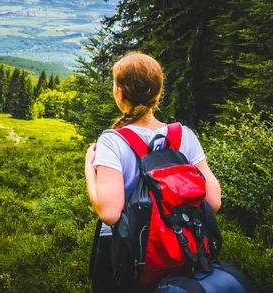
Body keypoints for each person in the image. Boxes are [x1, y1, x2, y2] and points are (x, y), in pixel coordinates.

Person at [84, 52, 221, 293]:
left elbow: (109, 213)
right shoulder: (183, 136)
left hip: (136, 261)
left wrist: (89, 167)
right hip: (185, 255)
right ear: (158, 93)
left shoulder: (113, 141)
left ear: (119, 93)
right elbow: (213, 201)